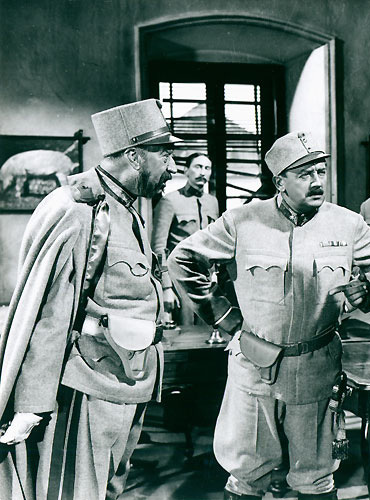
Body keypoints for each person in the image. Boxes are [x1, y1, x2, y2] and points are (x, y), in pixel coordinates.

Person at [167, 131, 370, 500]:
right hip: (254, 368)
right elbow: (182, 260)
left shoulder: (346, 224)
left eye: (321, 171)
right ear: (280, 182)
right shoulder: (242, 220)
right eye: (304, 174)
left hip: (316, 369)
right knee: (247, 474)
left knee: (316, 477)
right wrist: (224, 318)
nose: (317, 181)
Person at [0, 98, 178, 499]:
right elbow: (49, 311)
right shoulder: (78, 210)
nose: (172, 167)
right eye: (165, 155)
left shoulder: (126, 208)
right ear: (134, 156)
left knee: (107, 491)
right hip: (85, 388)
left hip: (125, 383)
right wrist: (32, 402)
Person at [152, 152, 219, 325]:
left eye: (207, 168)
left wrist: (215, 274)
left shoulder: (212, 202)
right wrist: (166, 287)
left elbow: (215, 243)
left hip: (206, 282)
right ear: (186, 170)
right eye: (198, 167)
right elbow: (158, 247)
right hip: (180, 281)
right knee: (186, 332)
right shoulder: (169, 201)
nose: (202, 172)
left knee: (209, 331)